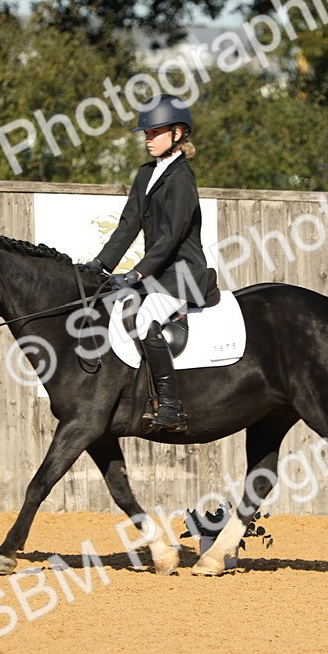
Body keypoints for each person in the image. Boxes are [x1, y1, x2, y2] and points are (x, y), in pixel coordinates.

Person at [84, 94, 212, 434]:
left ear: (178, 133)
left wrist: (138, 273)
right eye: (146, 133)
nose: (148, 138)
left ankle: (170, 406)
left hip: (182, 272)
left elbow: (171, 237)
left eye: (155, 131)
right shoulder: (146, 175)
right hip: (157, 272)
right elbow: (127, 226)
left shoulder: (183, 178)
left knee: (144, 320)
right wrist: (99, 266)